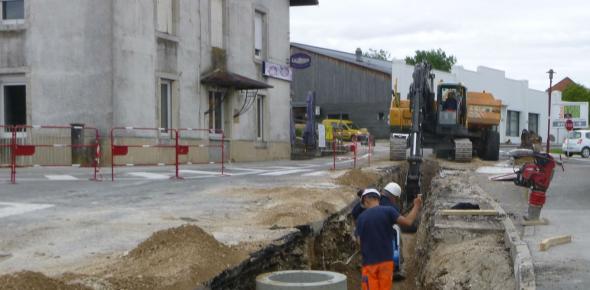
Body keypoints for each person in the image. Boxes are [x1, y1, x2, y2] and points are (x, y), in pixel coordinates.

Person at [355, 189, 422, 290]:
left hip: (369, 264)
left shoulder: (361, 218)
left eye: (363, 204)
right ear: (378, 199)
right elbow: (408, 222)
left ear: (366, 199)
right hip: (386, 263)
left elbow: (359, 241)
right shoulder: (388, 211)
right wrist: (416, 206)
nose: (364, 206)